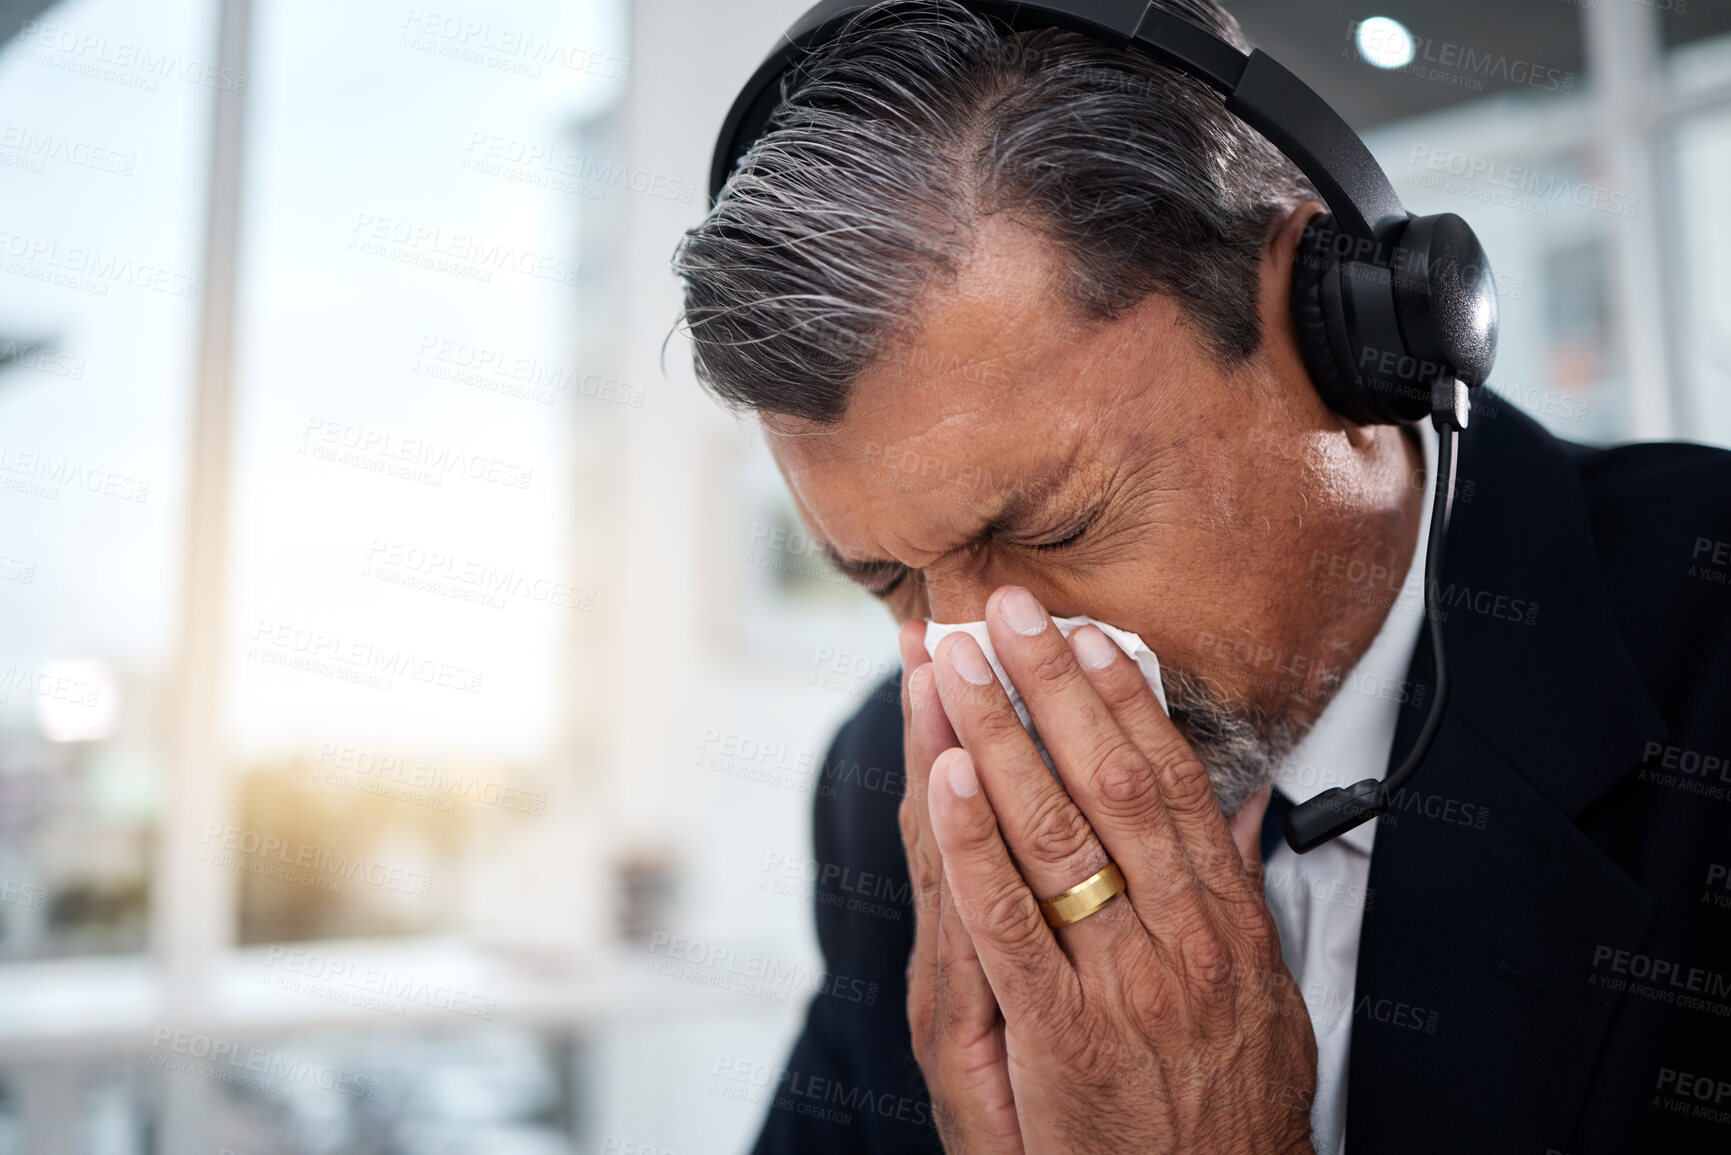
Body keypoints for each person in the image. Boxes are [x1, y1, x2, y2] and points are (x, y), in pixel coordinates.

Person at [672, 2, 1731, 1151]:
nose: (986, 670)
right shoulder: (897, 786)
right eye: (888, 580)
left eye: (1060, 529)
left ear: (1337, 333)